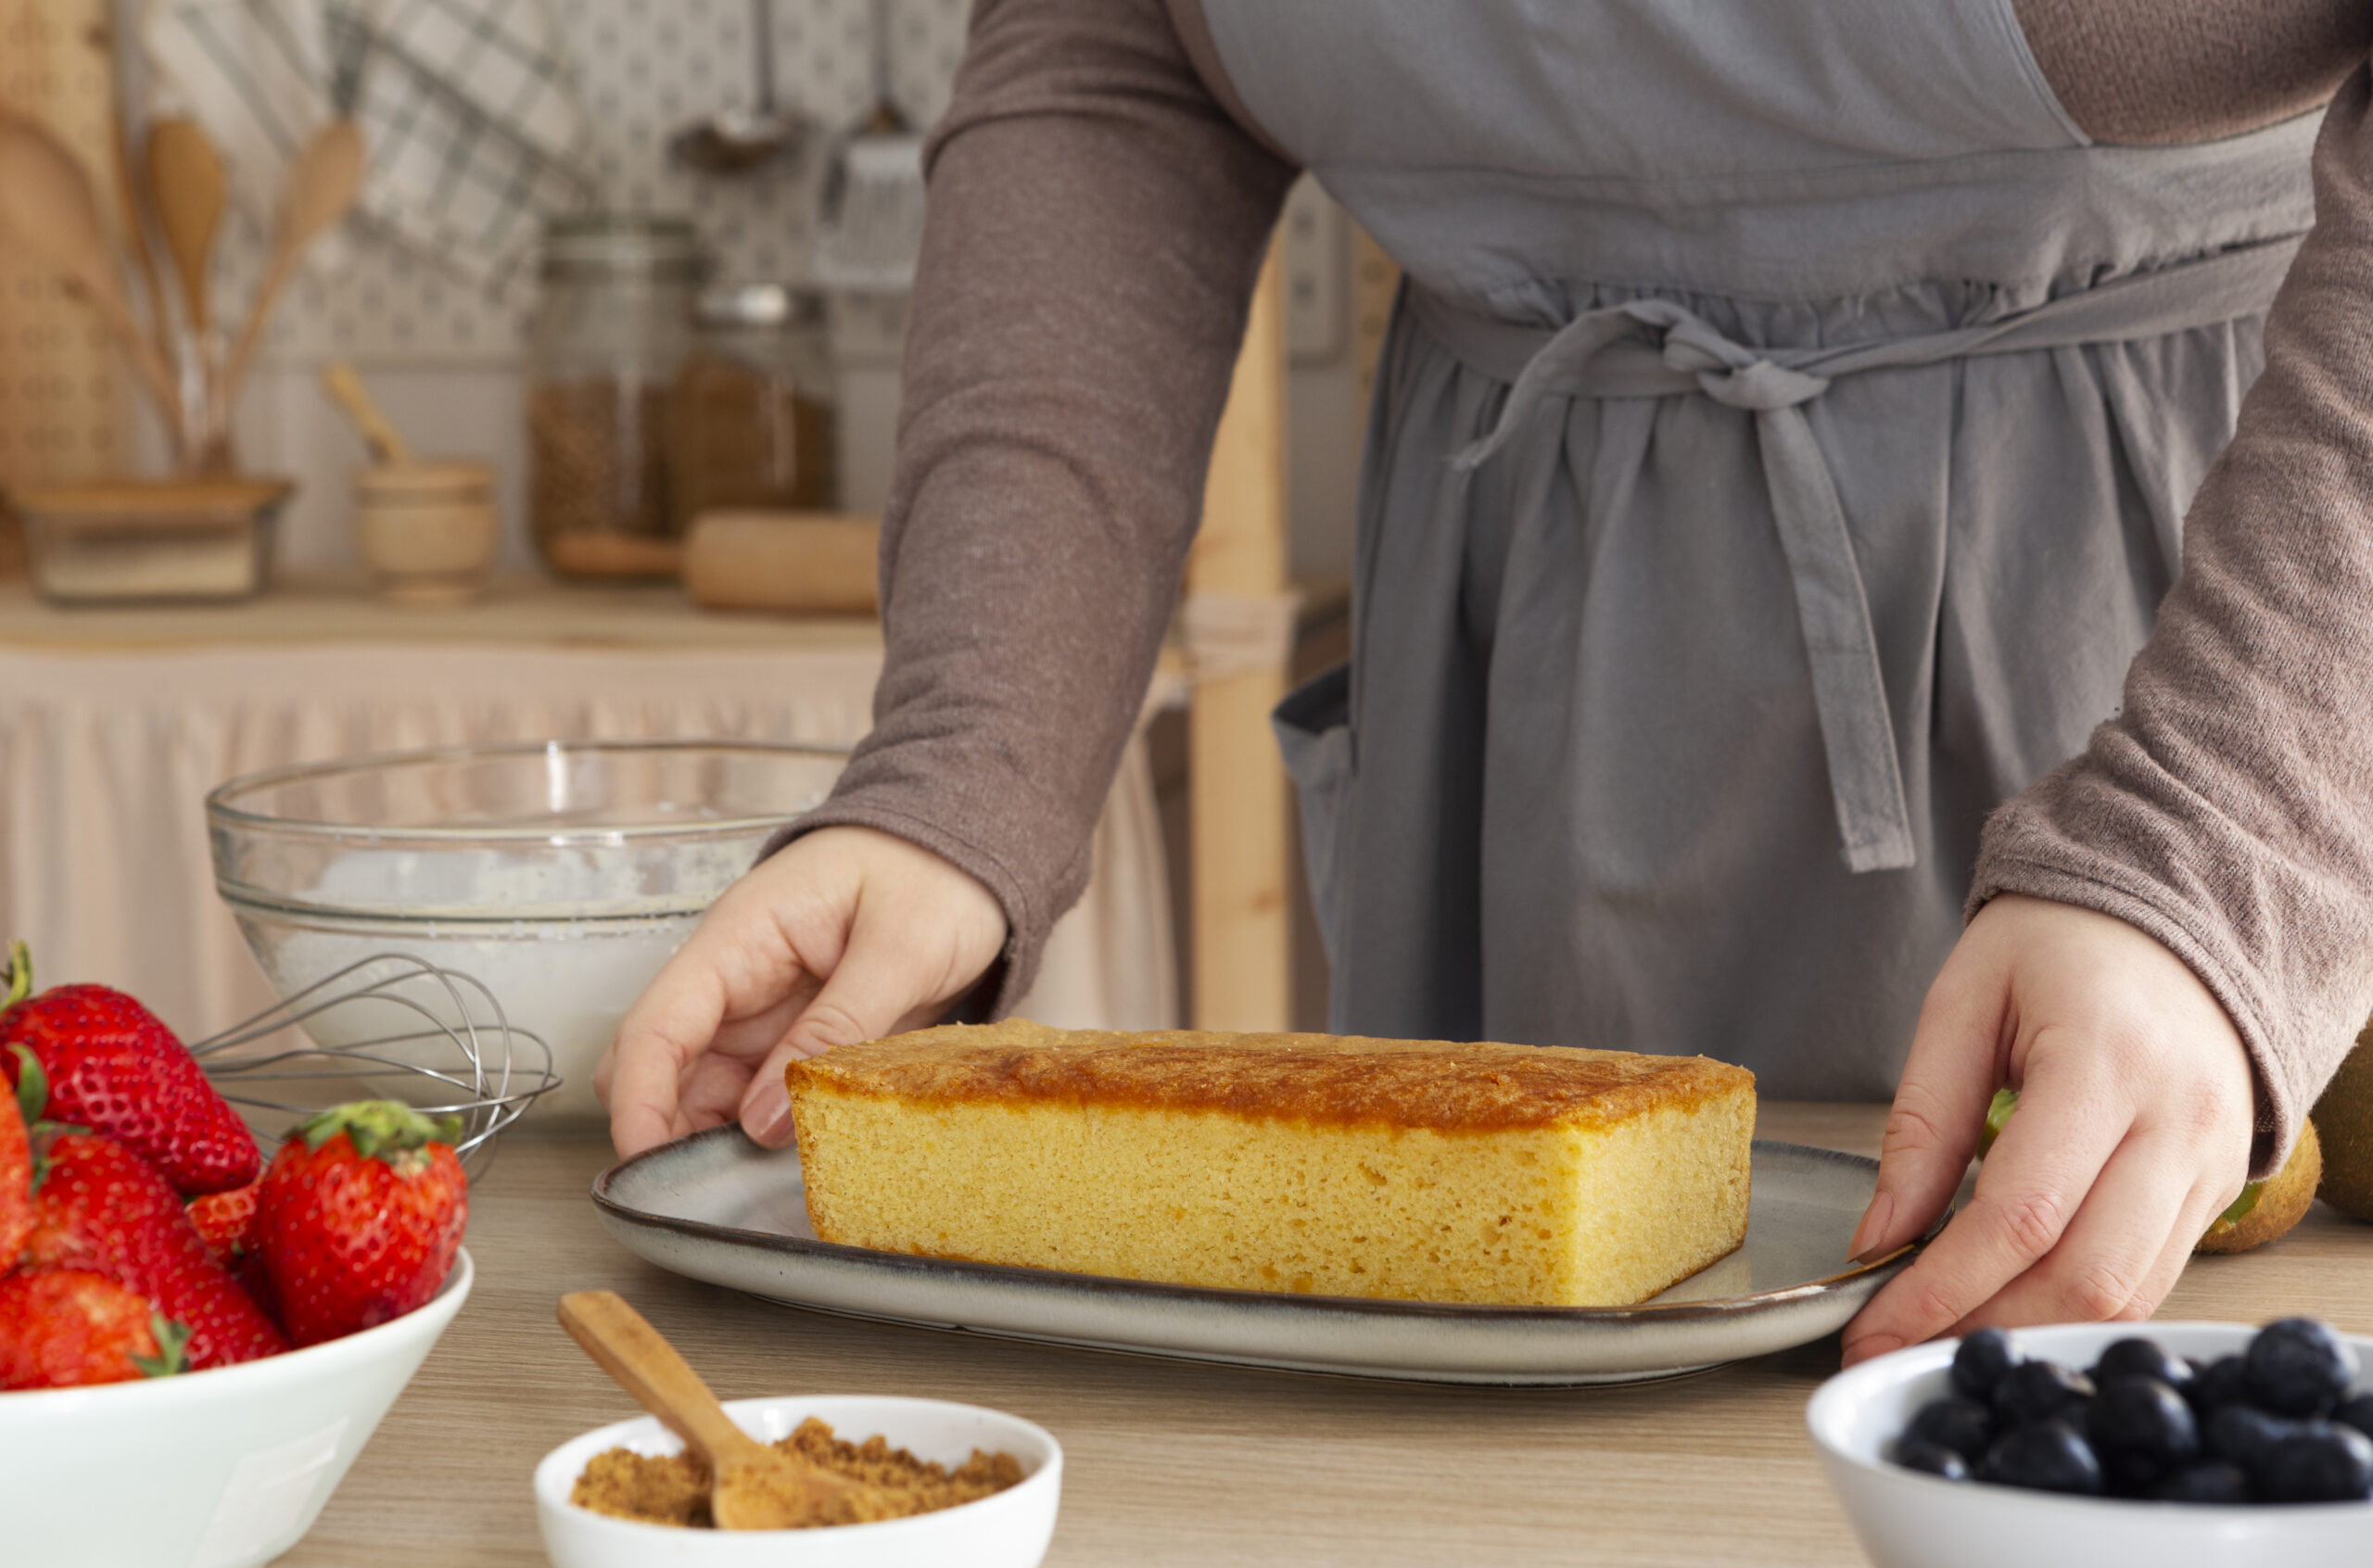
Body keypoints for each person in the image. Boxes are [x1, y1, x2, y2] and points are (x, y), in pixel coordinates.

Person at [598, 0, 2373, 1367]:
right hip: (1532, 662)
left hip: (2241, 648)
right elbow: (1116, 48)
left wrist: (2221, 837)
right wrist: (966, 773)